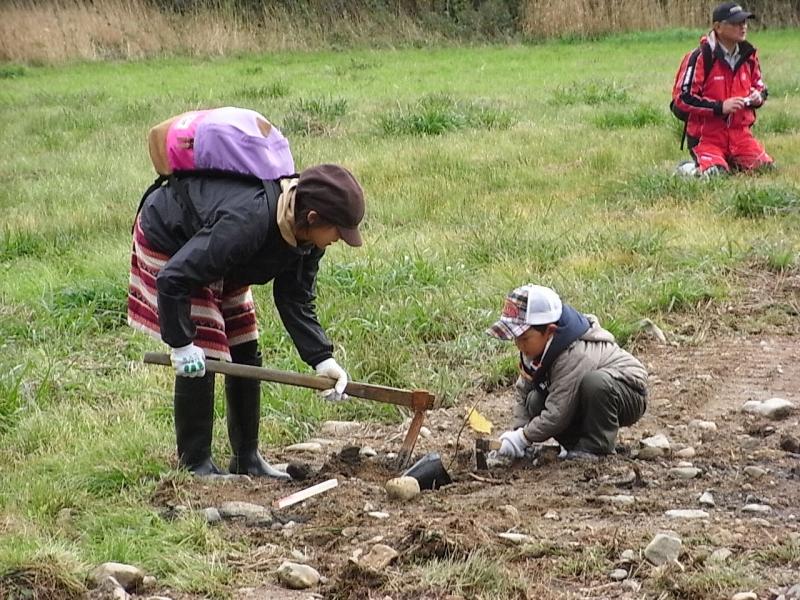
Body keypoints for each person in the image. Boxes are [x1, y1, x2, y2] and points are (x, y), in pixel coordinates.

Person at [128, 164, 365, 478]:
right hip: (171, 237)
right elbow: (174, 278)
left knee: (245, 346)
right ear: (312, 218)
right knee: (205, 348)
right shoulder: (249, 221)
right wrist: (182, 344)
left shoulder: (309, 239)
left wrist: (322, 358)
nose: (340, 240)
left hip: (221, 252)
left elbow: (295, 298)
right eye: (338, 232)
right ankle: (196, 465)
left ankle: (247, 458)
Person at [487, 284, 648, 461]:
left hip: (627, 393)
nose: (519, 345)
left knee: (595, 383)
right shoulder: (534, 351)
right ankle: (575, 446)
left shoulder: (574, 353)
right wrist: (518, 432)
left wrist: (523, 438)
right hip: (580, 396)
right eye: (515, 338)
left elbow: (558, 413)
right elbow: (522, 393)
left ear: (549, 331)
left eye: (524, 338)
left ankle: (597, 447)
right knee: (534, 400)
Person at [672, 2, 773, 176]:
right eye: (735, 23)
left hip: (740, 136)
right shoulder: (700, 57)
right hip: (706, 138)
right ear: (718, 27)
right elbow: (682, 98)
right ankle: (687, 169)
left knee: (766, 169)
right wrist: (720, 107)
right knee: (716, 175)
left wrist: (758, 97)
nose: (743, 27)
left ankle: (726, 162)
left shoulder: (749, 57)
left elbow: (760, 87)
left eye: (744, 22)